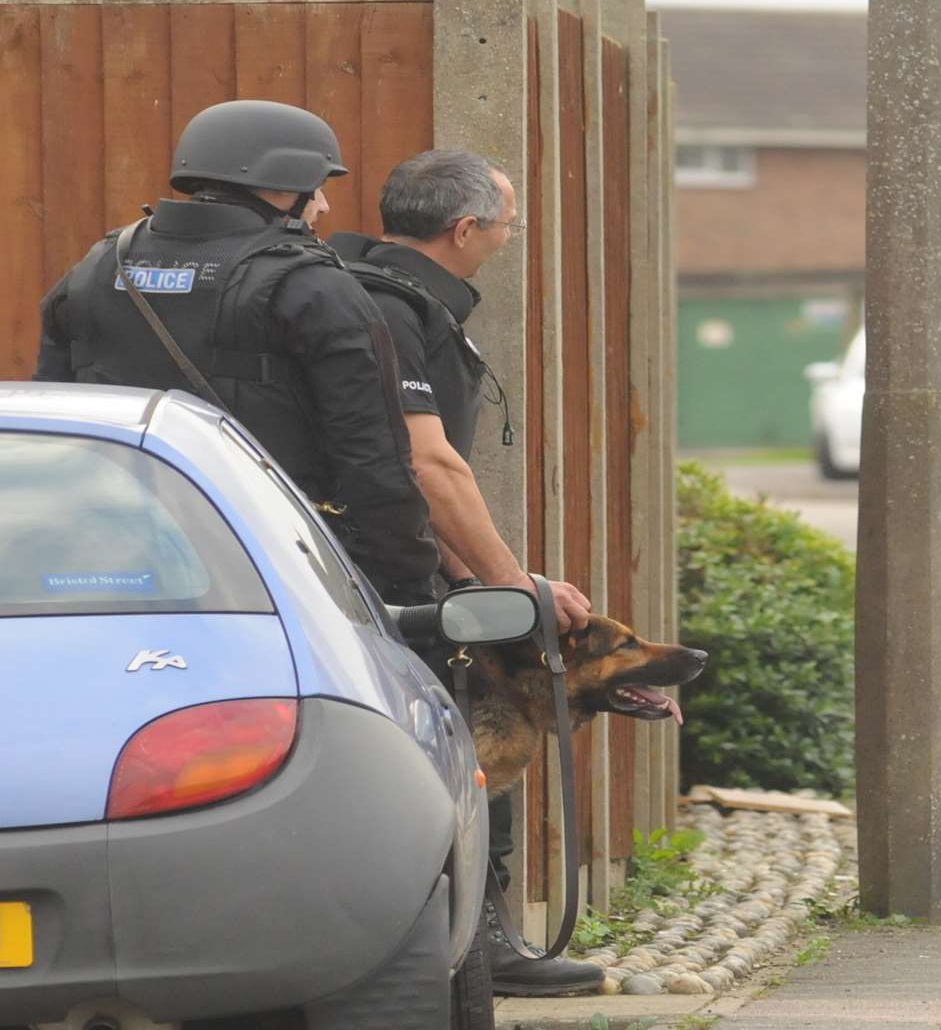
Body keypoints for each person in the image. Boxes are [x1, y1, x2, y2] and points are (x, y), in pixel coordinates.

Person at [331, 149, 601, 998]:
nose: (509, 235)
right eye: (507, 223)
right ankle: (482, 940)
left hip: (369, 552)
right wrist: (516, 590)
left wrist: (492, 580)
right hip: (376, 570)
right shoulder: (400, 310)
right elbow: (429, 466)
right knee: (468, 736)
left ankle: (485, 935)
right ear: (465, 228)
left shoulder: (362, 286)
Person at [33, 99, 437, 605]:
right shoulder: (312, 286)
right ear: (283, 185)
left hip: (102, 566)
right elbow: (373, 458)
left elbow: (55, 424)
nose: (324, 206)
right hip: (266, 573)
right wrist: (413, 584)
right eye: (318, 188)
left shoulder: (93, 271)